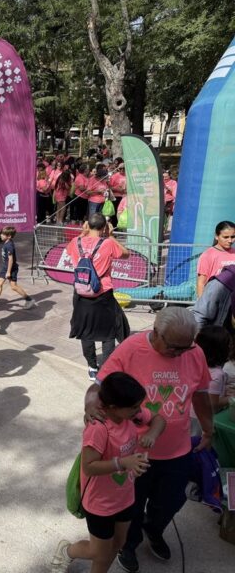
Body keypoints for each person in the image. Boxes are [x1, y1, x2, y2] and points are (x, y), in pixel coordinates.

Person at [84, 307, 214, 573]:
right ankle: (128, 545)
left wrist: (208, 429)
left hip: (177, 448)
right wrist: (89, 405)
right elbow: (99, 385)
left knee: (171, 500)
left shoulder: (195, 353)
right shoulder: (131, 348)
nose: (179, 354)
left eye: (185, 348)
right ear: (156, 333)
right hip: (135, 452)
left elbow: (200, 393)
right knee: (130, 504)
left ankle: (154, 530)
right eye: (174, 348)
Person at [50, 372, 165, 573]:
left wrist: (152, 434)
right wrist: (124, 463)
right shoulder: (98, 428)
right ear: (113, 407)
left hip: (125, 497)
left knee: (117, 545)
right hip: (100, 503)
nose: (139, 411)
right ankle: (67, 551)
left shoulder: (131, 416)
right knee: (99, 552)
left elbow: (158, 419)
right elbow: (89, 466)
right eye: (134, 407)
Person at [67, 213, 130, 382]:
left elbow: (68, 250)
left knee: (86, 331)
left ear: (87, 226)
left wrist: (83, 233)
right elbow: (126, 254)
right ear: (104, 228)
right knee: (108, 332)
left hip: (80, 293)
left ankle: (92, 367)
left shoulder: (76, 242)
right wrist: (110, 235)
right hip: (103, 293)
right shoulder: (108, 243)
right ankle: (106, 369)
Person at [0, 226, 35, 308]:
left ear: (9, 236)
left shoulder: (9, 245)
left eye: (3, 234)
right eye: (1, 233)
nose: (1, 235)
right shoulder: (7, 242)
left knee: (13, 286)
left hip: (11, 269)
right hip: (5, 267)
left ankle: (29, 300)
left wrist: (8, 271)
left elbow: (11, 259)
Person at [196, 220, 235, 298]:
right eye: (225, 237)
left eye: (233, 237)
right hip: (214, 299)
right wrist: (202, 305)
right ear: (216, 236)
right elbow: (201, 283)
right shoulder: (208, 255)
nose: (230, 240)